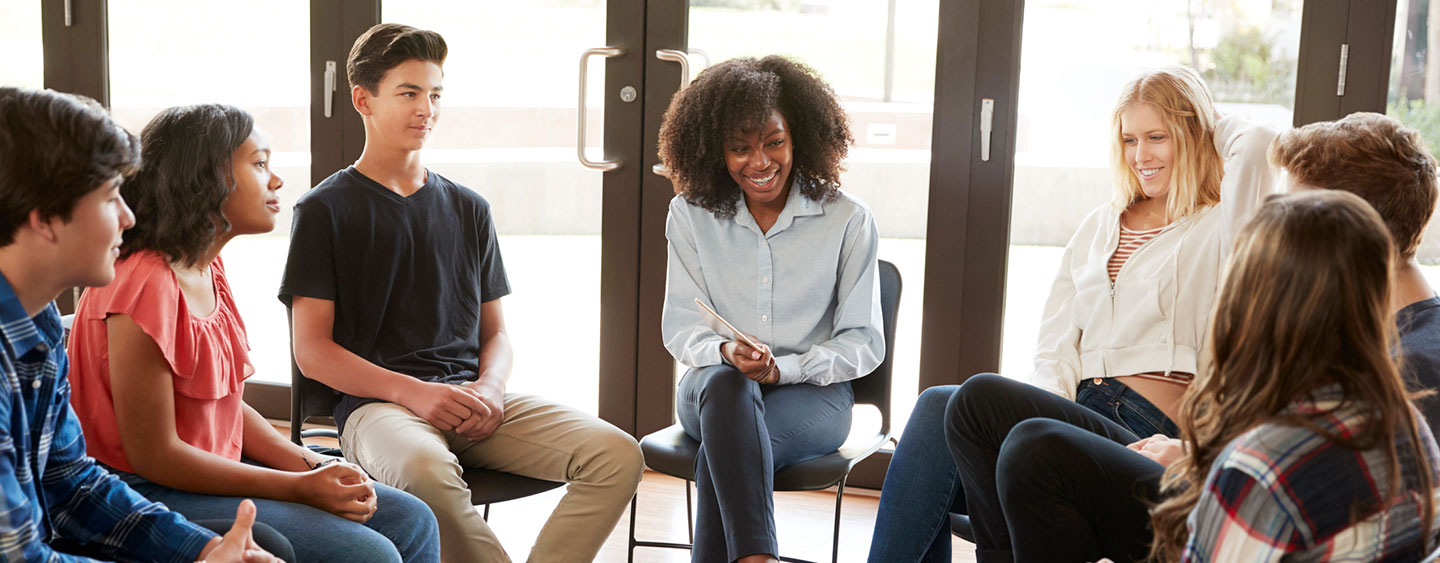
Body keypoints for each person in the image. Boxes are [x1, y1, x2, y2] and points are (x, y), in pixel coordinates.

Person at [868, 65, 1278, 562]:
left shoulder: (1223, 225)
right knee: (937, 406)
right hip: (1078, 411)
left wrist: (1210, 119)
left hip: (1147, 431)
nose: (1141, 155)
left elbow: (1257, 144)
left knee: (974, 398)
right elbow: (1055, 346)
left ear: (1194, 134)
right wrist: (1031, 426)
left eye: (1157, 137)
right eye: (1129, 139)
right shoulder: (1099, 225)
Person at [990, 111, 1440, 562]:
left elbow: (1293, 485)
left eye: (1297, 219)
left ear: (1350, 232)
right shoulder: (1380, 367)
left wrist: (1205, 465)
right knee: (986, 411)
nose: (1280, 229)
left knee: (1031, 453)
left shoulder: (1414, 371)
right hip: (1222, 476)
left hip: (1224, 489)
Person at [281, 23, 643, 563]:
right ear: (364, 100)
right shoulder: (324, 211)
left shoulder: (469, 208)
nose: (426, 108)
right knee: (425, 470)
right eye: (409, 93)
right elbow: (312, 351)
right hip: (379, 409)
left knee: (617, 453)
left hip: (472, 399)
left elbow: (496, 333)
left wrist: (493, 389)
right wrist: (415, 393)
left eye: (435, 94)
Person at [66, 103, 441, 563]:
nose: (276, 180)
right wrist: (298, 487)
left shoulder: (207, 266)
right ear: (205, 178)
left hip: (211, 471)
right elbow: (155, 457)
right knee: (369, 554)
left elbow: (225, 406)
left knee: (413, 517)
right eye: (260, 164)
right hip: (144, 489)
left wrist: (312, 463)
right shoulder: (145, 282)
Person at [0, 86, 280, 562]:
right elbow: (18, 556)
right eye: (112, 198)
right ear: (45, 219)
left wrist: (204, 552)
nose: (129, 217)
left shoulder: (38, 319)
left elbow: (71, 483)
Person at [657, 55, 884, 563]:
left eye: (773, 142)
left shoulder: (847, 220)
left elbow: (863, 342)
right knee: (726, 386)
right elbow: (681, 323)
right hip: (711, 389)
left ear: (798, 136)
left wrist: (786, 369)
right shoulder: (689, 214)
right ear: (716, 151)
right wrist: (724, 351)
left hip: (813, 397)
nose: (759, 163)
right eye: (740, 148)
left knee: (725, 455)